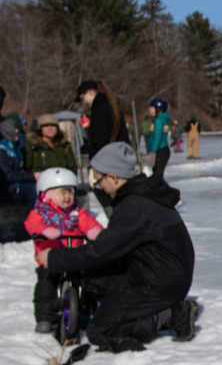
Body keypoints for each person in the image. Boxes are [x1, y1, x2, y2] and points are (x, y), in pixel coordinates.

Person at [37, 142, 196, 353]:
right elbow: (110, 246)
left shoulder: (134, 206)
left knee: (100, 332)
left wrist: (54, 258)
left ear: (113, 177)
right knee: (92, 275)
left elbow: (100, 251)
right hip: (159, 271)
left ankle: (172, 315)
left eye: (98, 180)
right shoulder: (143, 195)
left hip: (161, 282)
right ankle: (128, 309)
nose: (98, 186)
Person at [24, 167, 103, 333]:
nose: (68, 197)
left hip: (73, 256)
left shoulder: (76, 212)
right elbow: (32, 223)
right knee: (46, 284)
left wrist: (93, 230)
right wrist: (44, 230)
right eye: (63, 193)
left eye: (70, 192)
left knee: (88, 280)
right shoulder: (41, 212)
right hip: (49, 258)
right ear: (49, 194)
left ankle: (87, 311)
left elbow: (88, 222)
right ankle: (45, 317)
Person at [25, 114, 77, 180]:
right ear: (40, 129)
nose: (50, 128)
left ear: (57, 128)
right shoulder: (33, 146)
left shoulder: (64, 145)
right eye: (46, 126)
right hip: (41, 182)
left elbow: (72, 168)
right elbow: (27, 167)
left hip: (62, 181)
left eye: (53, 125)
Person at [146, 99, 171, 180]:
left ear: (158, 109)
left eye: (151, 107)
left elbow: (157, 138)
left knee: (156, 178)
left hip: (160, 151)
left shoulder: (158, 120)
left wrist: (153, 152)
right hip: (161, 150)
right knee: (158, 178)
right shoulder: (160, 119)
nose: (149, 109)